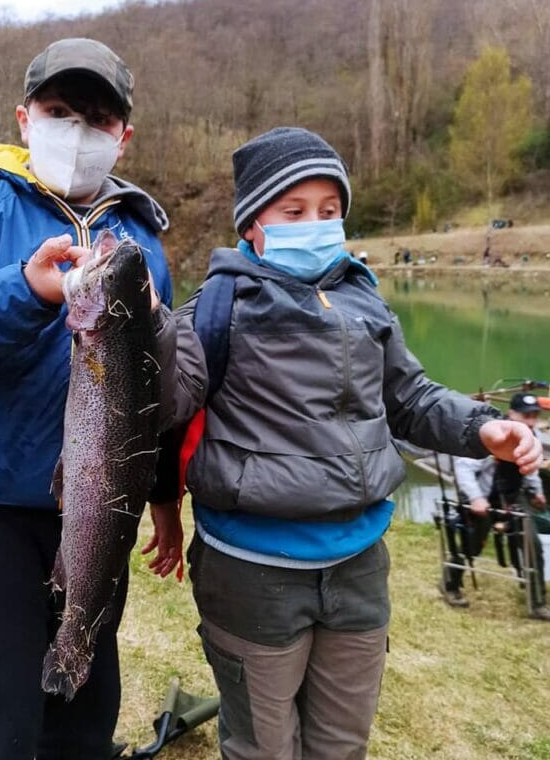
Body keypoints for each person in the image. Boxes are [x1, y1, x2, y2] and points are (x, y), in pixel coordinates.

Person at [0, 37, 205, 760]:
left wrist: (158, 327)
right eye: (59, 111)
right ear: (24, 118)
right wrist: (21, 291)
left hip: (100, 518)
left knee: (82, 724)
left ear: (124, 136)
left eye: (97, 118)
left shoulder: (141, 237)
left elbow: (158, 401)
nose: (77, 132)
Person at [163, 127, 542, 760]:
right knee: (261, 748)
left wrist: (483, 429)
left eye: (329, 210)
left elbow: (411, 398)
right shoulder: (212, 309)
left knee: (342, 745)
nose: (316, 224)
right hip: (253, 572)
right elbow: (163, 404)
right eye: (295, 211)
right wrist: (140, 327)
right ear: (252, 222)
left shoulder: (363, 297)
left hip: (360, 566)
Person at [444, 392, 549, 619]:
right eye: (525, 415)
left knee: (534, 546)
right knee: (471, 545)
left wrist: (537, 494)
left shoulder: (532, 437)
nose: (530, 420)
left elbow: (530, 470)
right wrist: (475, 498)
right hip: (484, 497)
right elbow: (464, 468)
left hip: (513, 500)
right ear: (511, 413)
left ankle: (537, 601)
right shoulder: (495, 434)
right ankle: (451, 584)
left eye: (534, 415)